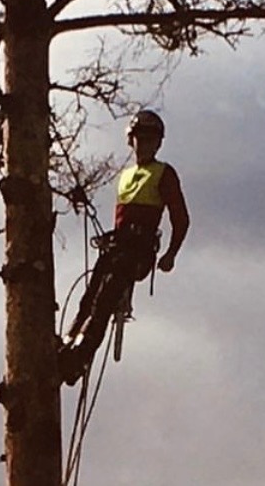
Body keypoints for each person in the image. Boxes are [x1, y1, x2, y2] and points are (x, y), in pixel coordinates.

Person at [58, 109, 190, 385]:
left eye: (149, 138)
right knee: (91, 294)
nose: (143, 143)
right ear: (132, 141)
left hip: (139, 251)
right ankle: (68, 342)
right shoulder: (127, 176)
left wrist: (170, 255)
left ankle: (80, 356)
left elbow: (181, 218)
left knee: (105, 296)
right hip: (118, 246)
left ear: (158, 143)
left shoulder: (164, 174)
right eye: (139, 138)